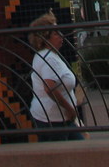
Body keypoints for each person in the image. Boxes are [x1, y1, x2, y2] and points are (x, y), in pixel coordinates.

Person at [28, 11, 83, 141]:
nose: (61, 36)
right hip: (55, 120)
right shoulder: (49, 58)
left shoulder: (43, 55)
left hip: (54, 119)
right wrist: (70, 109)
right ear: (45, 39)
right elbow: (49, 88)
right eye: (55, 33)